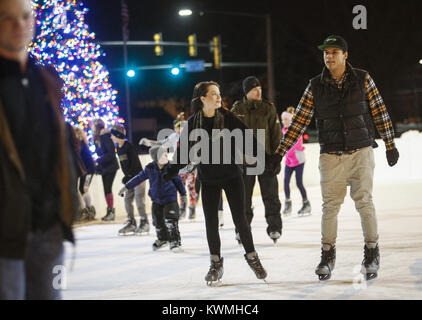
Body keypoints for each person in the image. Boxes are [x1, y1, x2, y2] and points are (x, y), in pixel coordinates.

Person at [269, 35, 400, 281]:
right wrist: (279, 153)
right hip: (331, 155)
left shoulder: (363, 78)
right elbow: (299, 122)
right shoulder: (315, 85)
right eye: (326, 52)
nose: (329, 56)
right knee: (330, 208)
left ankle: (372, 251)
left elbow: (379, 110)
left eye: (334, 52)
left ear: (345, 55)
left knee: (364, 203)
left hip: (361, 151)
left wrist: (390, 143)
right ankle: (327, 255)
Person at [0, 0, 77, 299]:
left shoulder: (46, 79)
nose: (19, 25)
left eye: (25, 16)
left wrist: (64, 209)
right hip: (7, 234)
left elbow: (57, 149)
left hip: (50, 229)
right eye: (7, 18)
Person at [163, 81, 268, 285]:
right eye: (214, 94)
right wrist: (171, 170)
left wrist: (266, 158)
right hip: (208, 178)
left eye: (219, 94)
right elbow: (184, 152)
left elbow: (248, 139)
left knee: (240, 220)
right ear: (203, 99)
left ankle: (252, 257)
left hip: (232, 176)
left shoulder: (228, 117)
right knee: (211, 223)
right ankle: (216, 263)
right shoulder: (193, 122)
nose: (219, 97)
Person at [231, 76, 283, 243]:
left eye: (260, 88)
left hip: (266, 160)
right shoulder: (237, 109)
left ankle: (274, 227)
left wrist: (277, 157)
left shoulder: (268, 108)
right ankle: (242, 230)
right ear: (247, 92)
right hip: (244, 163)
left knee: (271, 197)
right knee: (243, 200)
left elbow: (276, 135)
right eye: (254, 89)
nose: (258, 91)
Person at [118, 146, 186, 252]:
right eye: (163, 154)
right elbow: (138, 178)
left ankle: (175, 241)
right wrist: (126, 187)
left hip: (170, 199)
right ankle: (163, 238)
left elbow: (178, 182)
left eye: (166, 154)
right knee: (157, 221)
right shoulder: (149, 168)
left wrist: (183, 195)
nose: (166, 156)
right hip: (156, 200)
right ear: (156, 157)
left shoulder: (171, 168)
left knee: (171, 221)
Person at [140, 113, 196, 220]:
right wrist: (149, 143)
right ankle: (182, 208)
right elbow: (161, 143)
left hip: (191, 166)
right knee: (181, 187)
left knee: (191, 187)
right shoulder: (174, 137)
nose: (177, 130)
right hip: (179, 166)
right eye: (176, 128)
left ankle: (192, 208)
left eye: (179, 128)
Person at [111, 124, 150, 236]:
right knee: (127, 200)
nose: (111, 137)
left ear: (117, 135)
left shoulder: (129, 146)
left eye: (112, 135)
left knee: (139, 201)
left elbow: (135, 164)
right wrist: (127, 177)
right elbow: (124, 166)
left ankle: (144, 222)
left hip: (139, 177)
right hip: (130, 178)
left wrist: (129, 176)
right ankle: (131, 222)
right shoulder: (118, 148)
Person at [280, 107, 311, 216]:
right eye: (282, 119)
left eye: (286, 119)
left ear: (291, 120)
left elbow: (295, 146)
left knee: (299, 183)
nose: (284, 121)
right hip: (289, 161)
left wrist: (283, 149)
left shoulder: (297, 130)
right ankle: (288, 204)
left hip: (298, 160)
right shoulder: (283, 131)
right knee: (286, 182)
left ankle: (306, 204)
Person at [92, 118, 119, 221]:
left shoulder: (105, 136)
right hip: (105, 167)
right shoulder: (97, 138)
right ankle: (109, 210)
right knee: (106, 189)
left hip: (111, 167)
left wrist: (99, 160)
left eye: (93, 126)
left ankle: (111, 211)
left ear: (97, 127)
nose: (92, 129)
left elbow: (111, 154)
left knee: (107, 188)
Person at [74, 126, 96, 221]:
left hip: (88, 170)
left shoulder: (81, 144)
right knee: (82, 189)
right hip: (86, 170)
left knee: (84, 189)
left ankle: (88, 210)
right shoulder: (82, 143)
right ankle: (87, 209)